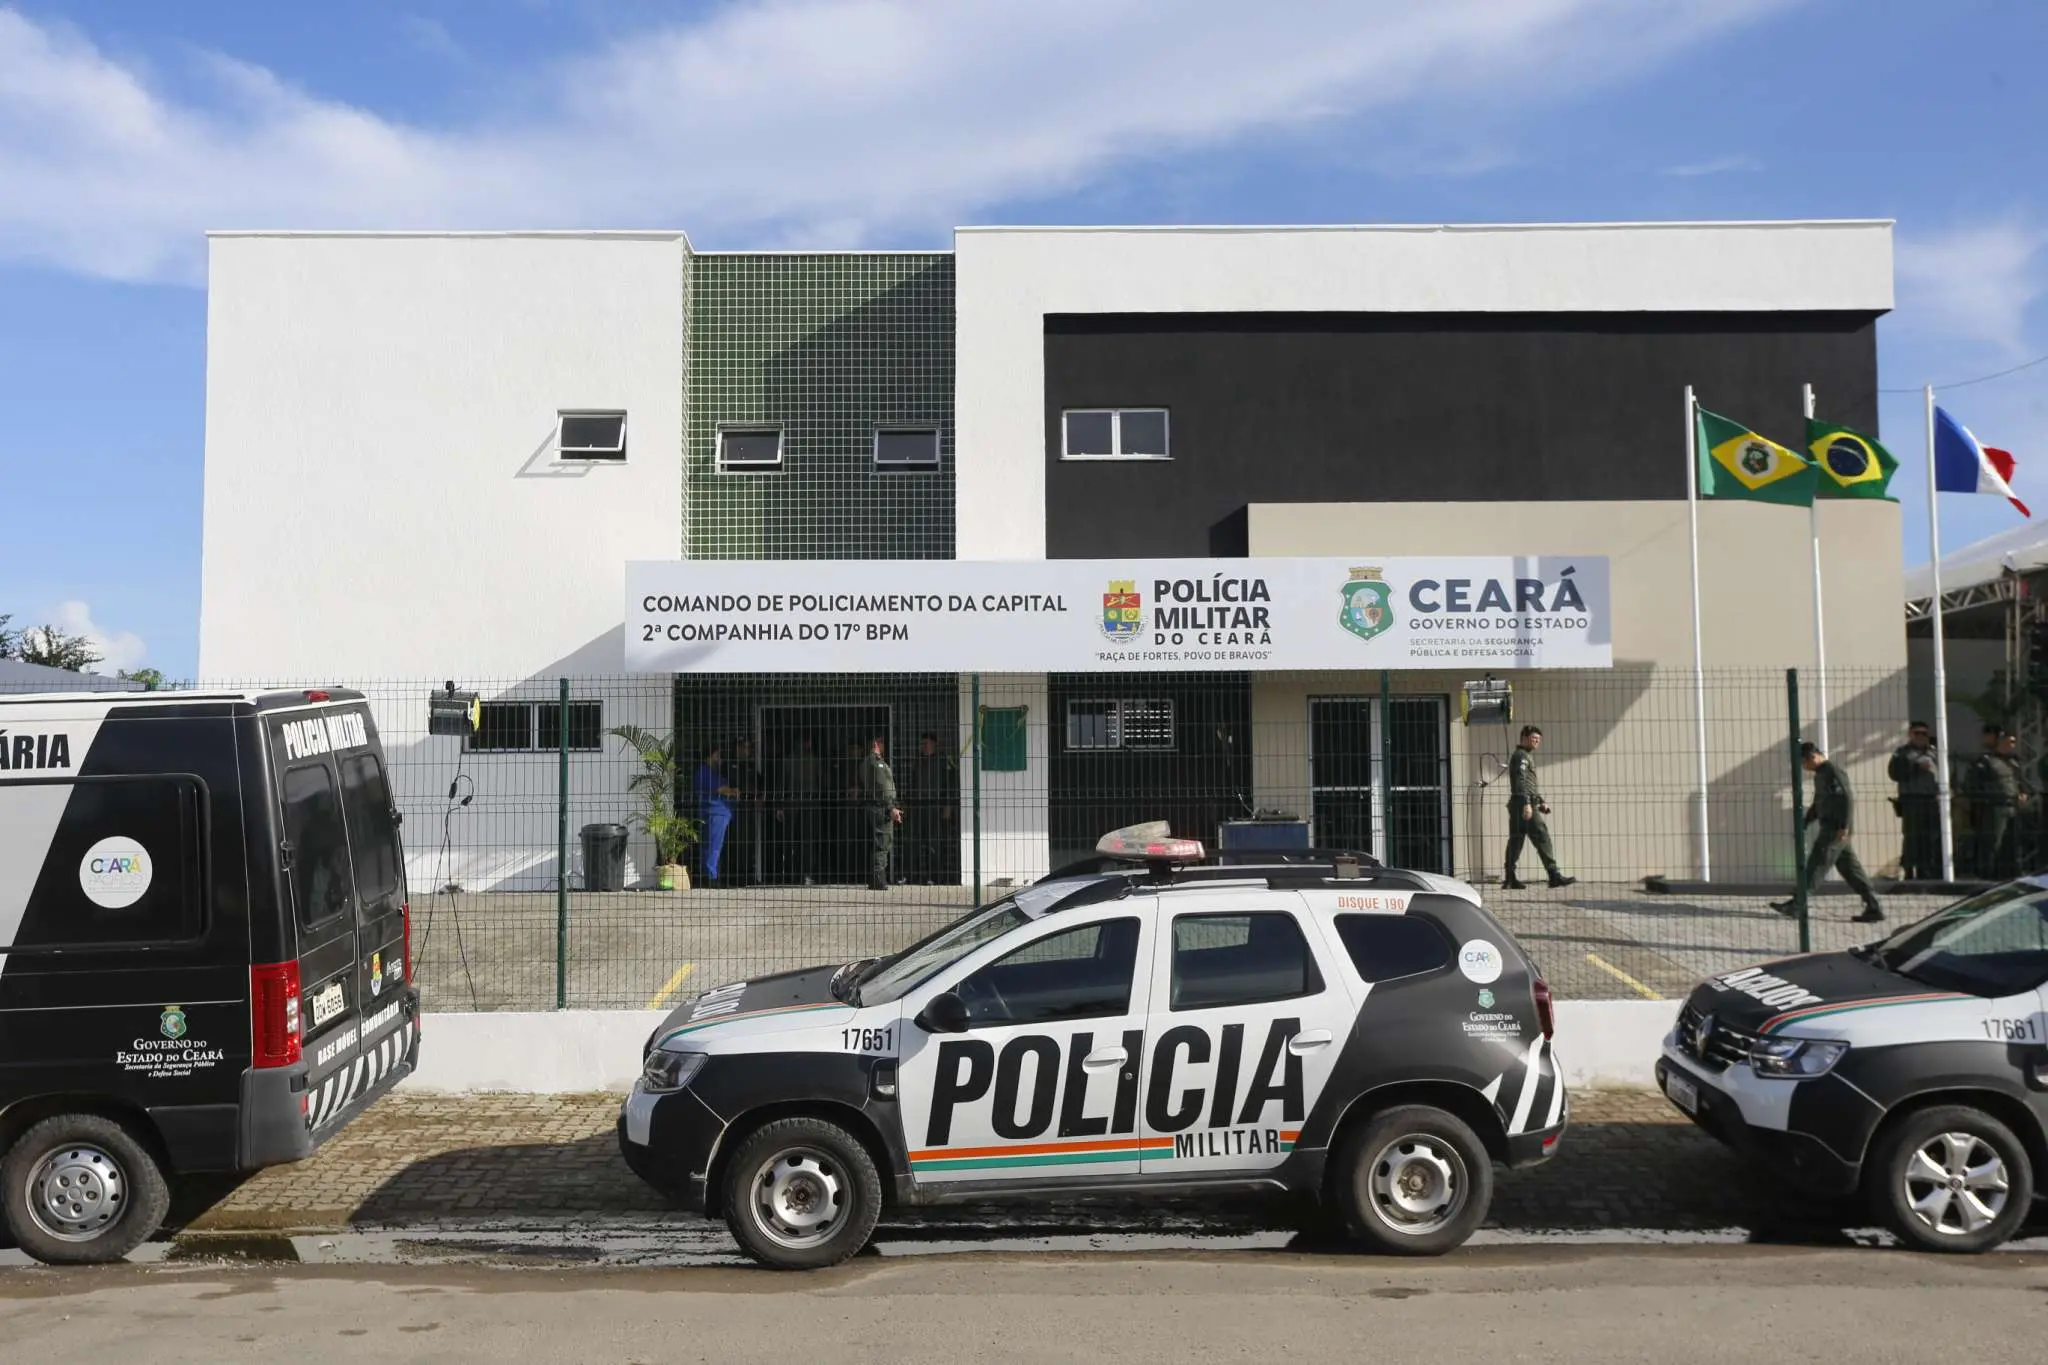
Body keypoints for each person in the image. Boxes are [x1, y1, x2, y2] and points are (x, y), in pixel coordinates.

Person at [1774, 742, 1883, 923]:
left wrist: (1844, 826)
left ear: (1812, 757)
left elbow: (1847, 798)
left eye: (1803, 762)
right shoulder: (1820, 775)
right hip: (1832, 828)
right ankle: (1874, 906)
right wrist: (1805, 822)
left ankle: (1798, 904)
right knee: (1851, 869)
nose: (1804, 767)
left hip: (1835, 829)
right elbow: (1819, 802)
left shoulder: (1832, 772)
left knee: (1817, 863)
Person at [1503, 725, 1574, 890]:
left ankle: (1510, 878)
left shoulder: (1523, 755)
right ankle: (1554, 875)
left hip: (1519, 803)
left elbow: (1528, 784)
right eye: (1534, 738)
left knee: (1516, 840)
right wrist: (1527, 803)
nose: (1537, 742)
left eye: (1538, 739)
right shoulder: (1522, 756)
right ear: (1524, 738)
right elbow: (1520, 780)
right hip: (1523, 804)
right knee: (1542, 836)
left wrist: (1540, 800)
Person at [1966, 727, 2031, 879]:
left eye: (2014, 742)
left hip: (2013, 806)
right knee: (1993, 843)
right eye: (2009, 741)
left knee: (2013, 843)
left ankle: (2011, 874)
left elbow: (2020, 782)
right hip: (1995, 807)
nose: (2012, 745)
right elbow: (1973, 785)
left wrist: (2023, 793)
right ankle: (1987, 876)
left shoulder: (2013, 761)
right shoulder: (1986, 761)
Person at [1887, 721, 1941, 881]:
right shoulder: (1902, 753)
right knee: (1912, 837)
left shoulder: (1934, 753)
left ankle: (1927, 870)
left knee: (1930, 836)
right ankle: (1909, 870)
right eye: (1918, 733)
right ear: (1910, 734)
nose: (1921, 737)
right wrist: (1916, 768)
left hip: (1931, 799)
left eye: (1925, 734)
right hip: (1912, 799)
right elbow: (1894, 773)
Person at [903, 731, 956, 884]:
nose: (925, 746)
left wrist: (948, 805)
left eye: (927, 743)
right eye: (923, 744)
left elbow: (949, 785)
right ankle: (909, 876)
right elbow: (911, 784)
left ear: (935, 744)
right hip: (917, 807)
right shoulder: (917, 761)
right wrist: (906, 803)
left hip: (935, 807)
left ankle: (935, 877)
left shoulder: (943, 762)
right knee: (912, 842)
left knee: (935, 843)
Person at [857, 734, 902, 891]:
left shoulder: (865, 763)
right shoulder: (877, 763)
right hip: (881, 807)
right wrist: (891, 808)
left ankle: (875, 877)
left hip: (873, 805)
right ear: (876, 744)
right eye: (882, 742)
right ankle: (878, 878)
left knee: (877, 841)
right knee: (883, 841)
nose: (884, 745)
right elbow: (884, 788)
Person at [694, 744, 740, 887]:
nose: (721, 759)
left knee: (715, 846)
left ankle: (714, 875)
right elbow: (720, 789)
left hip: (721, 812)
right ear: (709, 756)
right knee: (713, 846)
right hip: (715, 812)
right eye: (718, 755)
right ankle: (710, 878)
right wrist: (733, 791)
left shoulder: (713, 772)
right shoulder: (705, 771)